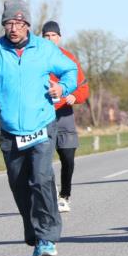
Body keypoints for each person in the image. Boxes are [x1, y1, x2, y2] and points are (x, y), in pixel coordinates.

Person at [0, 0, 77, 256]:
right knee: (19, 185)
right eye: (8, 23)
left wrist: (62, 87)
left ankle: (47, 237)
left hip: (41, 125)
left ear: (27, 24)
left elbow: (70, 71)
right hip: (10, 131)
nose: (13, 28)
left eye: (18, 23)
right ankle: (35, 232)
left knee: (40, 179)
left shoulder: (44, 48)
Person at [41, 20, 90, 213]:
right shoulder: (35, 58)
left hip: (64, 116)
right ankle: (50, 193)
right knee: (43, 159)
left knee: (68, 158)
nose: (50, 39)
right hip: (43, 116)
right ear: (42, 38)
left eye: (53, 35)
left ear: (59, 38)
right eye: (46, 36)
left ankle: (65, 195)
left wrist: (74, 96)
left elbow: (84, 88)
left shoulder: (68, 58)